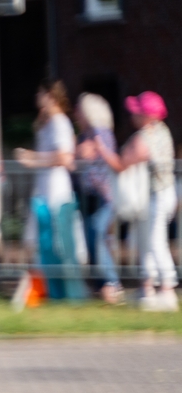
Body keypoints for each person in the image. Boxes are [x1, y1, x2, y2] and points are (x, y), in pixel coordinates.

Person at [91, 91, 176, 310]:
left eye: (137, 112)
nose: (133, 115)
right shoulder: (162, 130)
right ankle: (147, 289)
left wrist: (102, 150)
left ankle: (167, 291)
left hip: (156, 195)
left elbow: (121, 165)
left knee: (155, 242)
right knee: (146, 241)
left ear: (148, 115)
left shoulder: (144, 138)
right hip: (160, 194)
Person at [14, 81, 86, 301]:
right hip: (45, 190)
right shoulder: (48, 121)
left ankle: (70, 292)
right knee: (45, 243)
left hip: (57, 191)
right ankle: (53, 291)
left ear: (50, 96)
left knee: (61, 243)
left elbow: (64, 157)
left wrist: (33, 158)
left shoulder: (60, 122)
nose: (37, 97)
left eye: (41, 93)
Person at [74, 93, 123, 302]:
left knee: (99, 235)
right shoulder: (85, 134)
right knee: (91, 237)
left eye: (79, 110)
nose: (76, 114)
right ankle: (100, 283)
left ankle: (112, 283)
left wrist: (84, 150)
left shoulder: (100, 132)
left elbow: (86, 154)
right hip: (88, 195)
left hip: (104, 195)